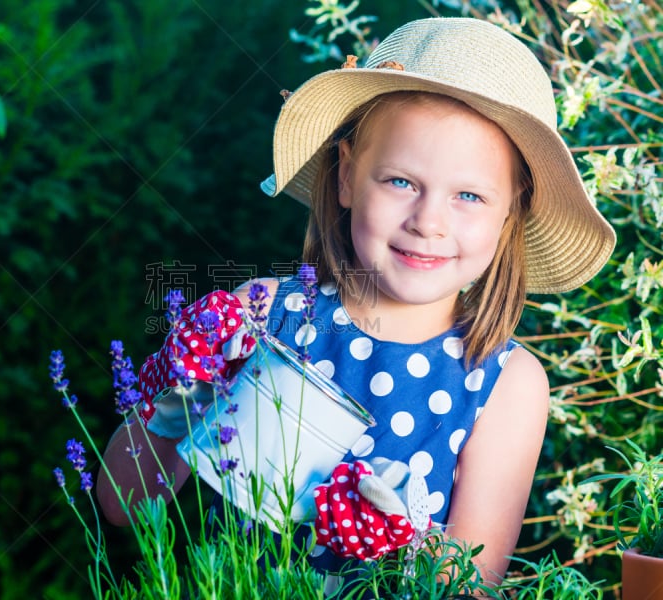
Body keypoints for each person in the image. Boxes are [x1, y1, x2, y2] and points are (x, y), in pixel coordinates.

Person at [96, 16, 615, 588]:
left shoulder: (504, 381)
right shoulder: (265, 317)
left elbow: (475, 583)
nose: (429, 223)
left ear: (509, 216)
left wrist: (400, 532)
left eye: (469, 195)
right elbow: (123, 506)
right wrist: (185, 383)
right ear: (346, 177)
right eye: (400, 182)